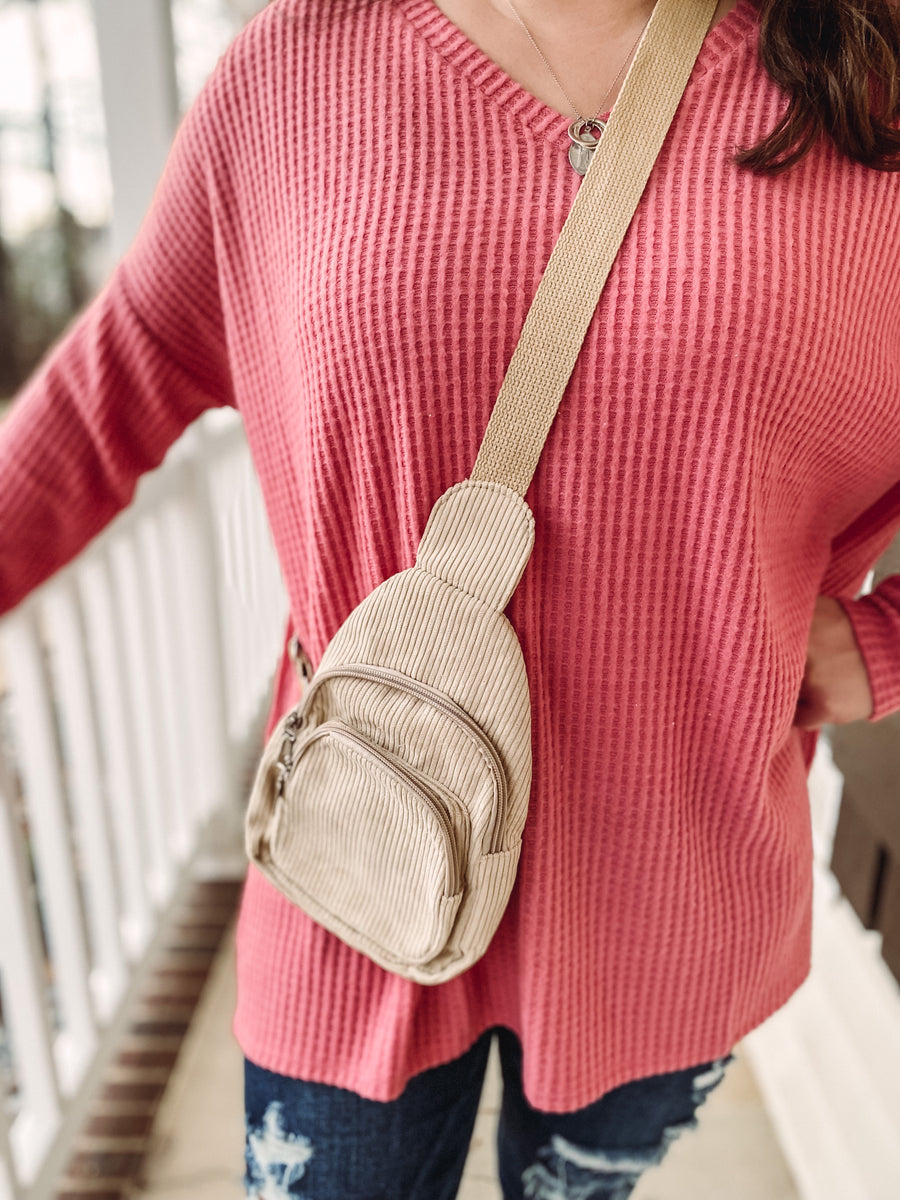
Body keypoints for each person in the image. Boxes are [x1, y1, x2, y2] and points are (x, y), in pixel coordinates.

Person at [2, 0, 899, 1196]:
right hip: (356, 860)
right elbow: (106, 394)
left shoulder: (860, 95)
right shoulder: (294, 72)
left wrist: (884, 646)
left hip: (673, 904)